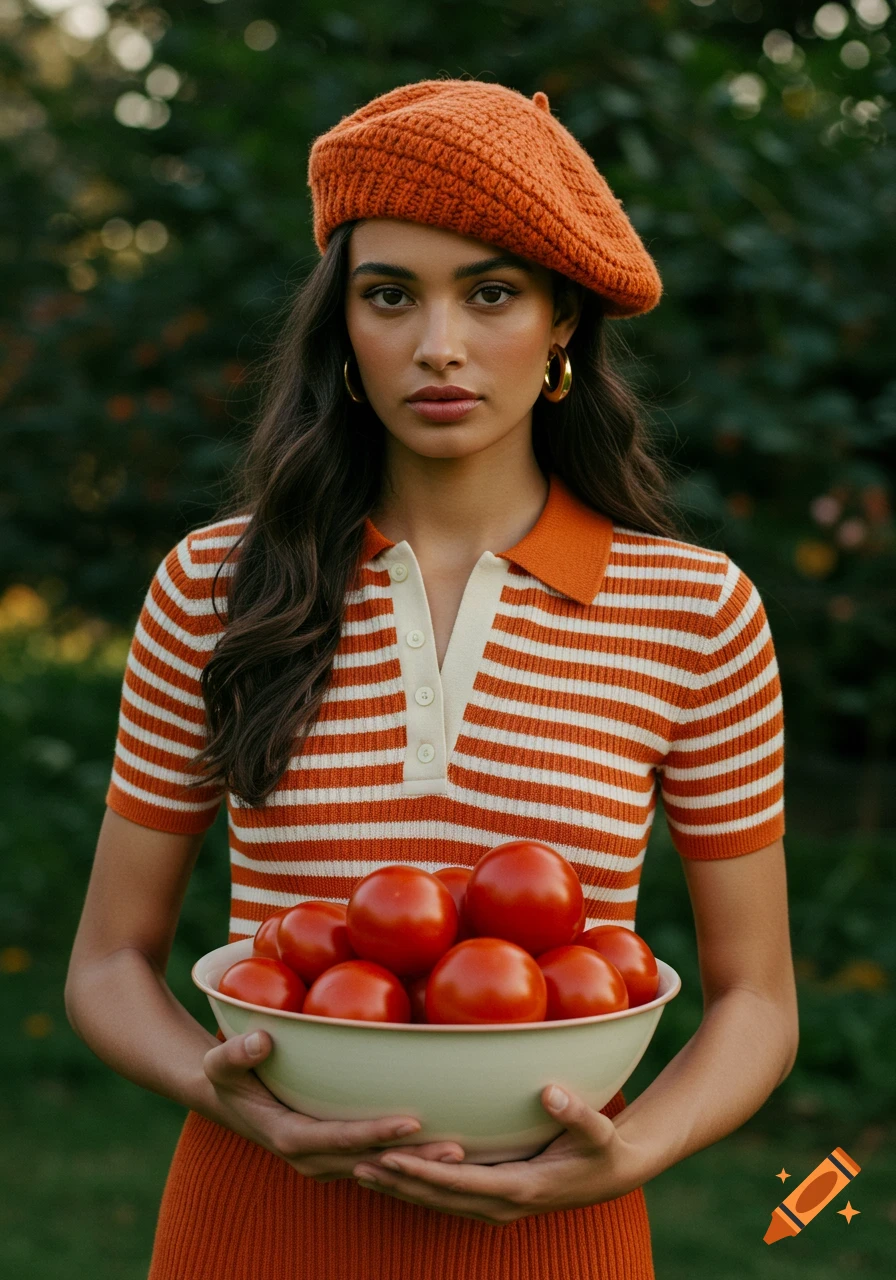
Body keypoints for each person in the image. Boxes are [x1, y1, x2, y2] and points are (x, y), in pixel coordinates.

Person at [64, 78, 799, 1279]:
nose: (437, 345)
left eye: (491, 292)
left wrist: (630, 1152)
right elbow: (105, 962)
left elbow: (757, 999)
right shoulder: (214, 583)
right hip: (258, 1216)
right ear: (342, 328)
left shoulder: (693, 609)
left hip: (558, 1230)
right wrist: (230, 1096)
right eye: (389, 294)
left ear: (562, 320)